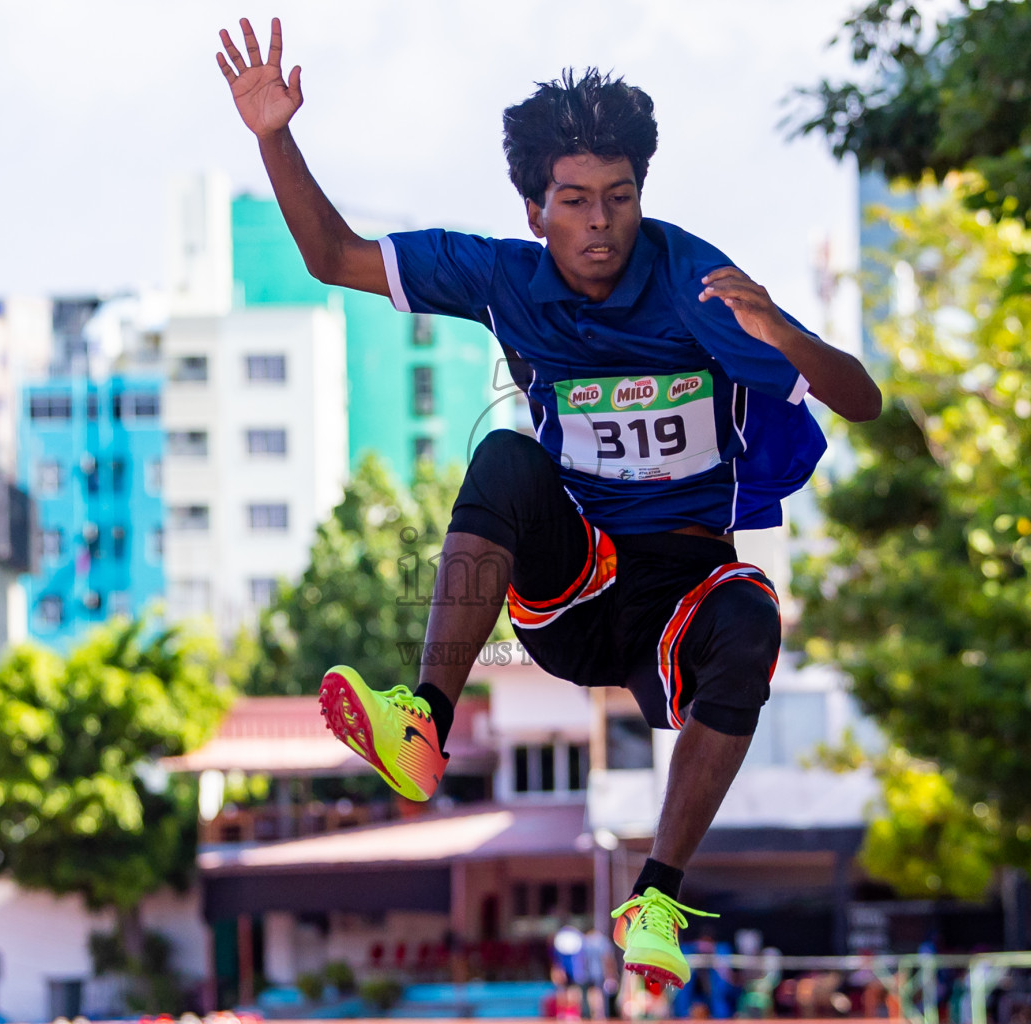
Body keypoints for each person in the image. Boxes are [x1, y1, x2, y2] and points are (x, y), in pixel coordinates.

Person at [215, 15, 881, 993]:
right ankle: (424, 724)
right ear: (536, 210)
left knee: (752, 614)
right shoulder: (504, 279)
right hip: (580, 584)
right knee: (505, 458)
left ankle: (656, 898)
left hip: (683, 605)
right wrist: (274, 135)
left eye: (620, 198)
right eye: (575, 201)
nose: (601, 222)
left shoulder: (698, 284)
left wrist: (781, 332)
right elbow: (334, 258)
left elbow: (858, 397)